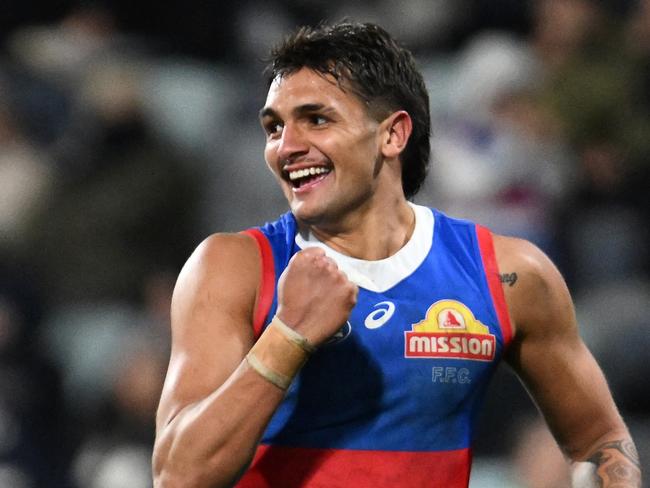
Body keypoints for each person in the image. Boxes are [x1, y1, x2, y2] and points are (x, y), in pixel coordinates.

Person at [152, 22, 642, 487]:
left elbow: (599, 441)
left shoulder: (508, 274)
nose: (286, 147)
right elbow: (178, 477)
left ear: (392, 134)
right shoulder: (232, 268)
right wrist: (288, 336)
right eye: (274, 127)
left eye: (316, 119)